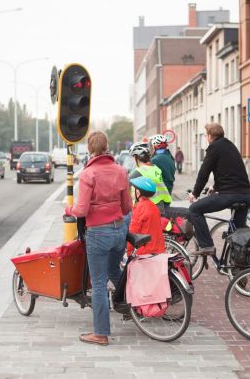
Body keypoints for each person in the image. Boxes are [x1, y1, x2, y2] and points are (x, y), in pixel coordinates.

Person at [64, 131, 132, 346]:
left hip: (99, 233)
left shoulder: (88, 174)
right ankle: (132, 306)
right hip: (119, 230)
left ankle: (100, 333)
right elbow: (127, 207)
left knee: (100, 283)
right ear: (107, 147)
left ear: (90, 149)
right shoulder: (121, 171)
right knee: (115, 270)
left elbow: (82, 209)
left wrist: (69, 209)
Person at [188, 123, 250, 256]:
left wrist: (195, 193)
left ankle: (207, 246)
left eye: (206, 135)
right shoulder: (230, 146)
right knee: (237, 235)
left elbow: (203, 173)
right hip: (245, 195)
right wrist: (215, 187)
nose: (206, 138)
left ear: (210, 136)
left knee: (194, 210)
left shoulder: (214, 147)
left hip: (230, 195)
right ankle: (237, 270)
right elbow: (230, 172)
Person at [127, 176, 165, 255]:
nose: (130, 192)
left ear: (138, 192)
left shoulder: (139, 207)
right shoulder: (153, 206)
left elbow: (133, 232)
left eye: (132, 189)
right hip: (158, 250)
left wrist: (129, 252)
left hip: (145, 252)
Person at [129, 141, 172, 212]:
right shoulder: (156, 169)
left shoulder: (138, 172)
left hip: (146, 210)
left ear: (136, 158)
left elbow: (126, 193)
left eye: (133, 157)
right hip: (160, 207)